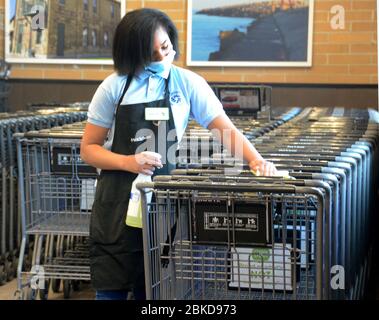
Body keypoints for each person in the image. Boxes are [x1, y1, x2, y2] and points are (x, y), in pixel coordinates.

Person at [80, 8, 277, 300]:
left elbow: (225, 130)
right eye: (151, 54)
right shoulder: (114, 87)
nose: (161, 58)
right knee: (111, 289)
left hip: (162, 202)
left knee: (154, 289)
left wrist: (255, 160)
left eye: (165, 47)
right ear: (131, 54)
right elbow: (89, 149)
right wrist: (128, 162)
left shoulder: (187, 83)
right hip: (116, 203)